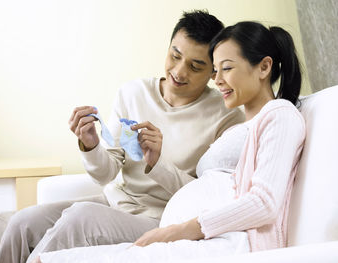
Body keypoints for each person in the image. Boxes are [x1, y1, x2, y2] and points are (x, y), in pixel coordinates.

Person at [33, 21, 306, 263]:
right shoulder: (248, 124)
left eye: (225, 69)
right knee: (29, 227)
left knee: (73, 230)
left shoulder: (275, 116)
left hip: (194, 233)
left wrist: (179, 230)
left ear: (265, 67)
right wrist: (91, 145)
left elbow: (263, 202)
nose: (217, 80)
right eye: (216, 71)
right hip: (175, 227)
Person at [0, 10, 244, 263]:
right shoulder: (133, 93)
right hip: (114, 202)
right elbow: (105, 174)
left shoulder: (225, 115)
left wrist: (158, 163)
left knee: (80, 217)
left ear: (213, 72)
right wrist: (91, 146)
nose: (179, 72)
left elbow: (210, 196)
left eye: (195, 66)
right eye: (175, 56)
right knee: (22, 222)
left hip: (162, 217)